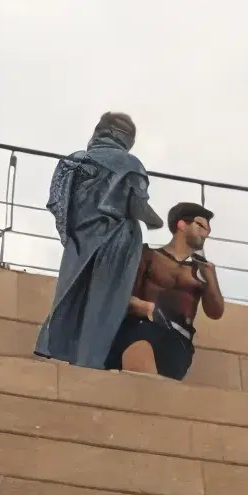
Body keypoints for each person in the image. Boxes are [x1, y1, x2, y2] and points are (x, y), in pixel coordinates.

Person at [31, 110, 153, 366]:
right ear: (124, 137)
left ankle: (54, 346)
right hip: (117, 239)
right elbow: (139, 207)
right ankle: (90, 359)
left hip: (78, 238)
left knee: (69, 293)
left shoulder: (73, 160)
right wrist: (156, 221)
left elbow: (57, 202)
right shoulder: (131, 164)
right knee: (105, 301)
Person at [120, 204, 228, 381]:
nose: (205, 233)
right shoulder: (148, 255)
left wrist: (211, 278)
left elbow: (215, 312)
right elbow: (121, 295)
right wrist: (147, 308)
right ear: (181, 225)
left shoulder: (199, 271)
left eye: (208, 230)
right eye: (200, 226)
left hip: (178, 340)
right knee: (141, 352)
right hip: (140, 327)